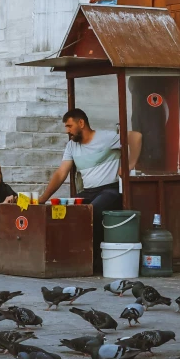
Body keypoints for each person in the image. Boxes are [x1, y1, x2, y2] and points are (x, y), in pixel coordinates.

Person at [37, 109, 140, 269]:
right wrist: (43, 198)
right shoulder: (71, 146)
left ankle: (95, 259)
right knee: (71, 210)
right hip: (89, 191)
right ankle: (72, 256)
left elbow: (136, 137)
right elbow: (61, 173)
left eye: (69, 126)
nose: (67, 131)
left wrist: (130, 164)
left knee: (92, 211)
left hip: (110, 190)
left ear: (81, 123)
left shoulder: (107, 137)